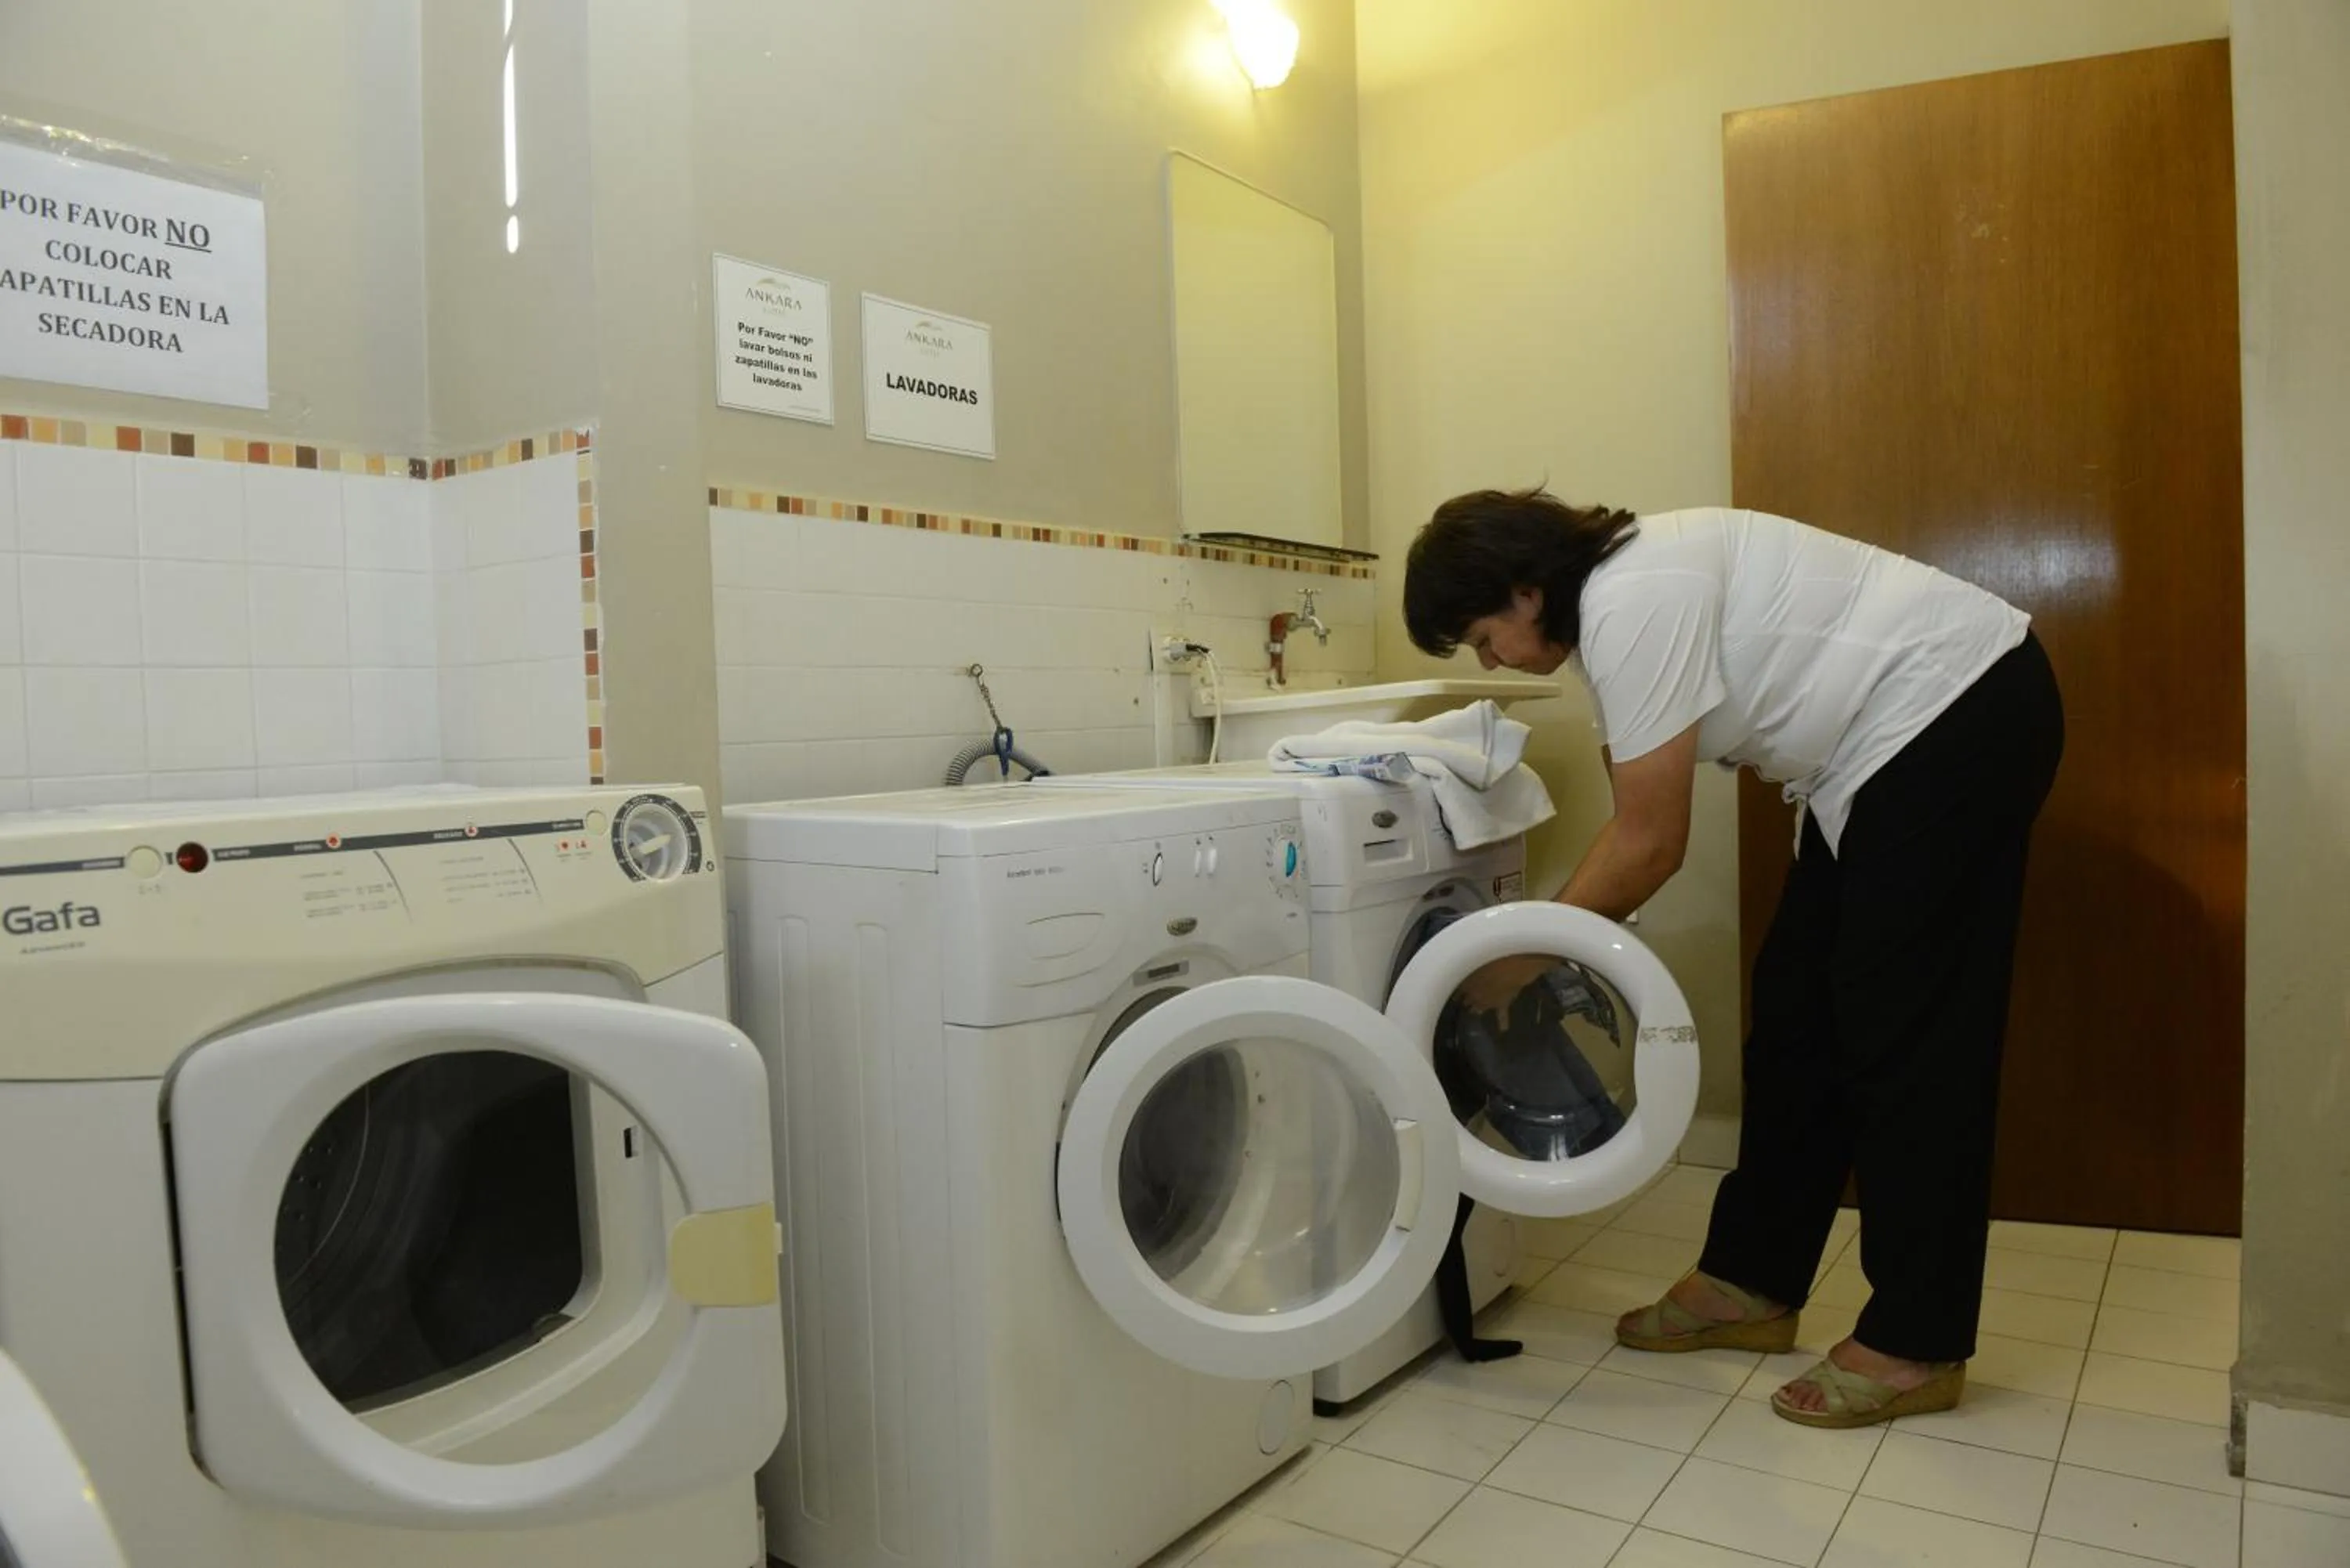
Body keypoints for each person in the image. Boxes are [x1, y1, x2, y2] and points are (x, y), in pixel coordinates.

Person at [1405, 489, 2063, 1429]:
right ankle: (1751, 1280)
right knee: (1798, 1014)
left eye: (1483, 636)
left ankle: (1918, 1339)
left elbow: (1647, 844)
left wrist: (1512, 959)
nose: (1496, 660)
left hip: (1955, 711)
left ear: (1525, 589)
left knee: (1908, 1032)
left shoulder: (1632, 596)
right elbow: (1638, 829)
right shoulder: (1620, 606)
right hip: (1875, 755)